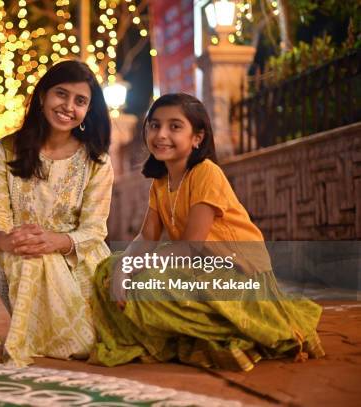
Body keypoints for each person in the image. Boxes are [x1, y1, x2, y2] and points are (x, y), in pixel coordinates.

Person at [89, 93, 324, 371]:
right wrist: (123, 269)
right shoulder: (160, 182)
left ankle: (229, 336)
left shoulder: (206, 173)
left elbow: (190, 246)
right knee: (106, 269)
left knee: (148, 282)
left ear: (197, 137)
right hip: (196, 266)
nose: (161, 134)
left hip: (236, 271)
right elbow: (148, 237)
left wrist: (134, 269)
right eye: (154, 125)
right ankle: (185, 338)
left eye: (175, 126)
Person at [0, 60, 113, 367]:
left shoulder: (97, 160)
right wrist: (6, 240)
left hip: (78, 258)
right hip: (18, 253)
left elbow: (95, 230)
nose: (68, 106)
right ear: (42, 97)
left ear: (88, 110)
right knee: (29, 259)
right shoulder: (7, 150)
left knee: (41, 258)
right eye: (61, 94)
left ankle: (38, 340)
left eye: (80, 101)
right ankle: (37, 339)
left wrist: (56, 241)